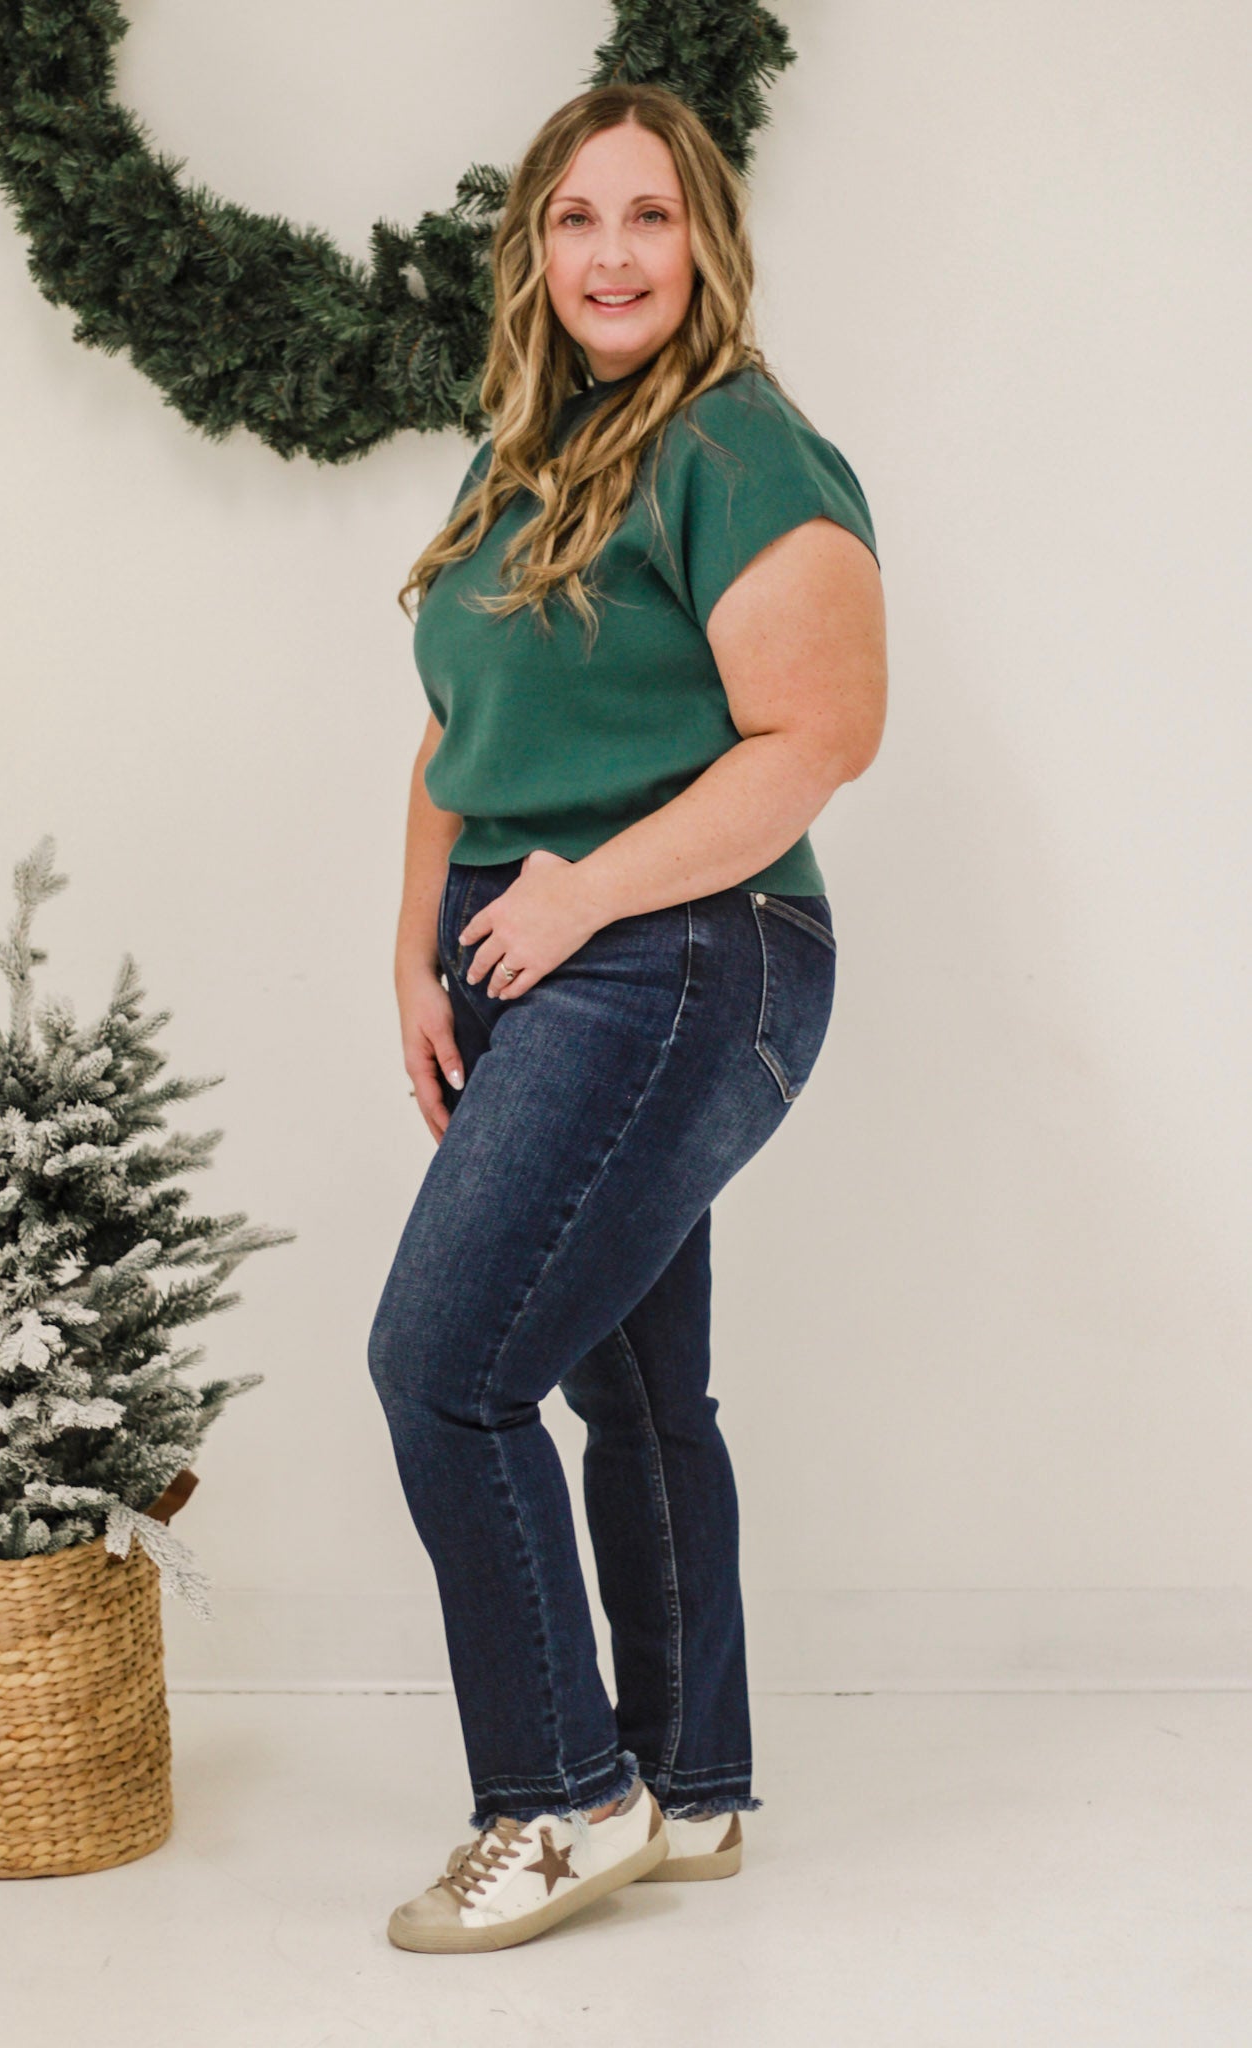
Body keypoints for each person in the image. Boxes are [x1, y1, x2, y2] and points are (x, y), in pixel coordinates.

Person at [368, 80, 887, 1954]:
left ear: (704, 245)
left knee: (443, 1368)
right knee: (634, 1387)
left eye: (649, 217)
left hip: (677, 950)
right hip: (535, 957)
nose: (610, 254)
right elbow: (454, 736)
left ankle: (559, 1800)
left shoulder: (738, 445)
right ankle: (689, 1784)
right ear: (533, 248)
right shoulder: (521, 453)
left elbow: (818, 737)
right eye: (576, 218)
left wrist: (580, 893)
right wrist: (416, 955)